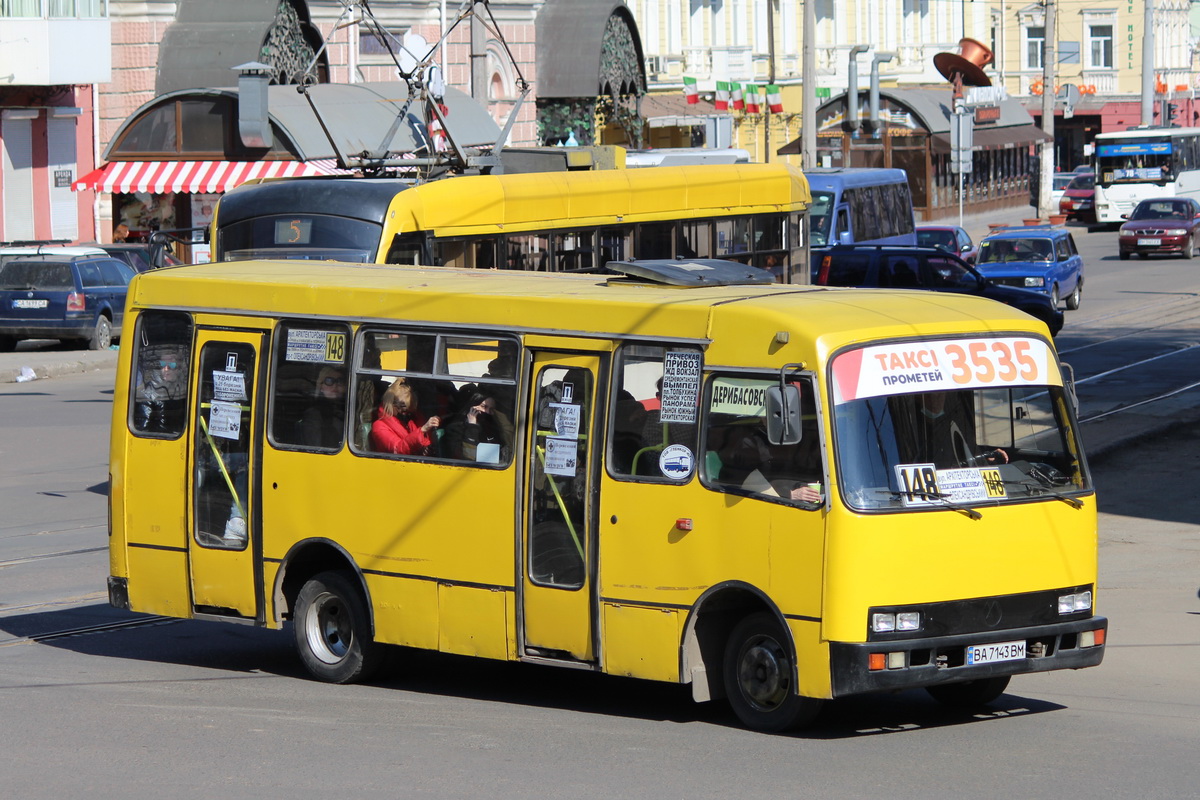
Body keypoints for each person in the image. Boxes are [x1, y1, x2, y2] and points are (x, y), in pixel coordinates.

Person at [370, 378, 440, 456]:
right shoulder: (379, 426)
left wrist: (425, 449)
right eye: (403, 410)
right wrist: (422, 430)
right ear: (391, 404)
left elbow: (422, 442)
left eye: (408, 411)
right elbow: (397, 449)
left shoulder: (410, 421)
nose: (405, 414)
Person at [443, 391, 514, 463]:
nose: (487, 412)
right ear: (472, 406)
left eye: (491, 409)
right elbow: (467, 456)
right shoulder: (455, 428)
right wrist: (472, 426)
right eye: (483, 407)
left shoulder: (493, 428)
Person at [133, 345, 188, 434]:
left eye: (171, 365)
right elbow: (143, 429)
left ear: (178, 369)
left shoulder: (184, 389)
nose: (166, 369)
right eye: (163, 364)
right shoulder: (149, 394)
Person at [298, 365, 347, 449]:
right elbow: (315, 447)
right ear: (321, 386)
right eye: (329, 381)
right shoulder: (313, 414)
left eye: (340, 381)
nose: (335, 385)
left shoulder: (350, 410)